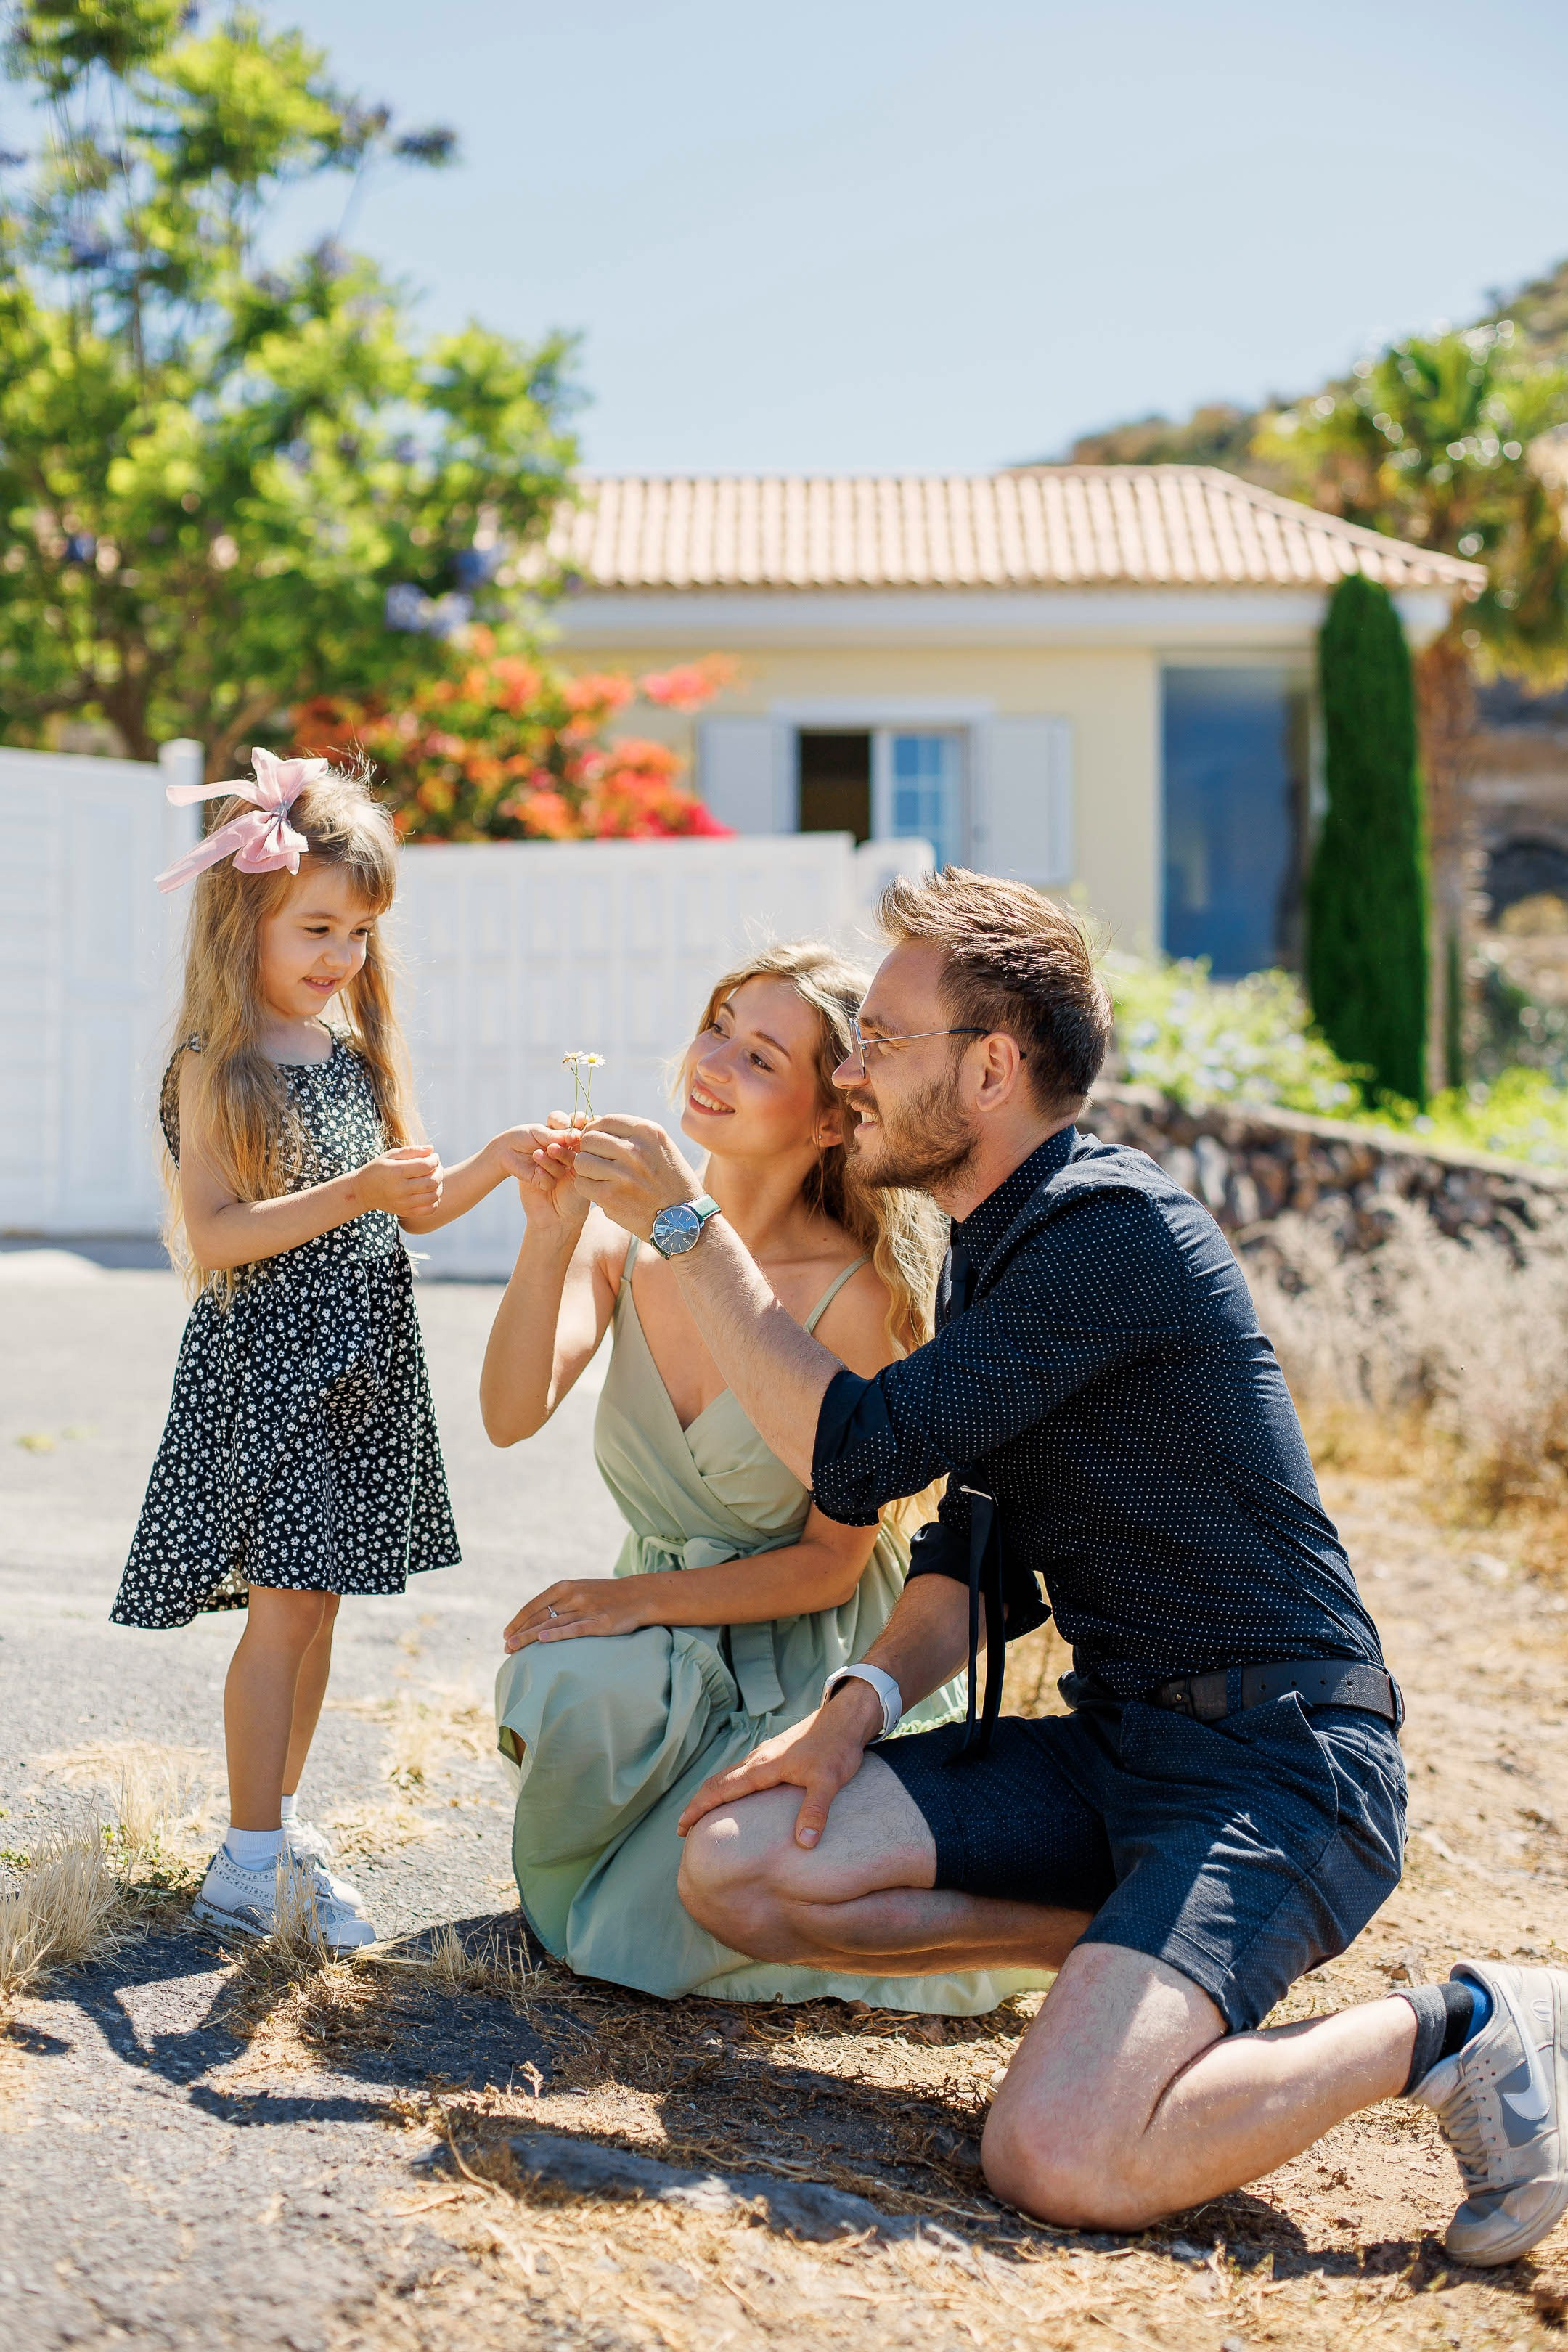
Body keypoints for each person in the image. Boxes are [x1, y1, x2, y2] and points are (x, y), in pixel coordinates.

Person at [565, 867, 1568, 2269]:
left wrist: (689, 1228)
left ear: (990, 1069)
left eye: (880, 1042)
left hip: (1279, 1765)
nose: (849, 1072)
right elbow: (976, 1551)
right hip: (1114, 1753)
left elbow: (857, 1458)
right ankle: (1134, 1966)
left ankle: (1469, 2024)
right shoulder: (992, 1253)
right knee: (734, 1870)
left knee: (1056, 2155)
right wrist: (851, 1709)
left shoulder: (1107, 1232)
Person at [483, 942, 1045, 2012]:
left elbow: (831, 1567)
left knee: (696, 1893)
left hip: (805, 1647)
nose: (713, 1064)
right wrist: (549, 1239)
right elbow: (509, 1417)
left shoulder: (859, 1296)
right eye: (718, 1027)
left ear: (833, 1116)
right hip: (659, 1641)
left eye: (760, 1057)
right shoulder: (620, 1247)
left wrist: (629, 1601)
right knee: (566, 1685)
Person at [112, 750, 539, 1951]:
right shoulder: (219, 1065)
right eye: (316, 927)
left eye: (359, 932)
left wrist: (503, 1160)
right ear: (240, 923)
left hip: (359, 1374)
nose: (341, 954)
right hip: (274, 1374)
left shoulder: (352, 1057)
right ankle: (247, 1860)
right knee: (286, 1610)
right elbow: (217, 1233)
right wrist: (358, 1191)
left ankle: (275, 1828)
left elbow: (413, 1204)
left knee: (318, 1609)